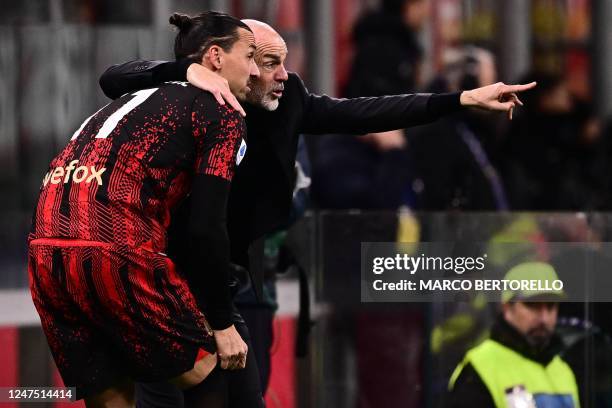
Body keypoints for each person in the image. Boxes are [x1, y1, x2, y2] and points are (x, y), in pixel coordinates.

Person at [99, 19, 535, 407]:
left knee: (245, 391)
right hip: (160, 277)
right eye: (264, 61)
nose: (278, 74)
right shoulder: (184, 98)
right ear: (226, 61)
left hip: (237, 275)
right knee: (166, 395)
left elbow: (364, 113)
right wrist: (185, 70)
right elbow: (114, 77)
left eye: (276, 61)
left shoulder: (288, 101)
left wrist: (459, 99)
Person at [28, 11, 259, 407]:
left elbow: (113, 76)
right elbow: (206, 227)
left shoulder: (131, 96)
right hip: (117, 250)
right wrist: (221, 323)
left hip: (46, 255)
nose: (255, 71)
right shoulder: (219, 109)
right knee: (212, 372)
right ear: (216, 58)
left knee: (112, 392)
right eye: (251, 55)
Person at [447, 262, 579, 408]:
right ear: (507, 306)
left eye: (551, 306)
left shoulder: (562, 370)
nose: (544, 318)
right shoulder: (480, 368)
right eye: (532, 305)